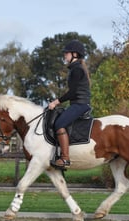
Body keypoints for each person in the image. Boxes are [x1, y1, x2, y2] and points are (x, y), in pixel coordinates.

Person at [48, 40, 91, 169]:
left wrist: (56, 102)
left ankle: (65, 158)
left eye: (66, 53)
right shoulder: (76, 68)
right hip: (77, 103)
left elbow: (73, 92)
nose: (64, 55)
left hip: (80, 104)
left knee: (59, 124)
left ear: (75, 54)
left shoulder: (77, 69)